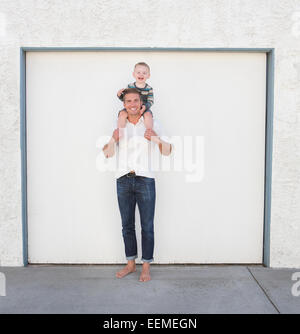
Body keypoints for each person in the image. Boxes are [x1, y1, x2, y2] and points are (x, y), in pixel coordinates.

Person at [102, 88, 172, 282]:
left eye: (135, 100)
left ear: (141, 103)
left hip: (145, 179)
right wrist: (113, 138)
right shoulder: (120, 125)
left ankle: (146, 266)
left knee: (147, 226)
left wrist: (155, 138)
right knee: (127, 225)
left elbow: (167, 151)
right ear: (124, 104)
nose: (132, 104)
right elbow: (107, 153)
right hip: (123, 179)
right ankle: (131, 264)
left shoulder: (152, 123)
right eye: (128, 101)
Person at [117, 62, 154, 133]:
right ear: (134, 74)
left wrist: (145, 107)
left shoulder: (149, 88)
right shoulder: (130, 86)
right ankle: (120, 132)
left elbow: (151, 101)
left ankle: (149, 132)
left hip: (143, 108)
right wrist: (120, 95)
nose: (141, 74)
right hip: (131, 107)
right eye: (138, 72)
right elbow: (126, 99)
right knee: (122, 114)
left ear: (148, 75)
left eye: (144, 73)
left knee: (148, 115)